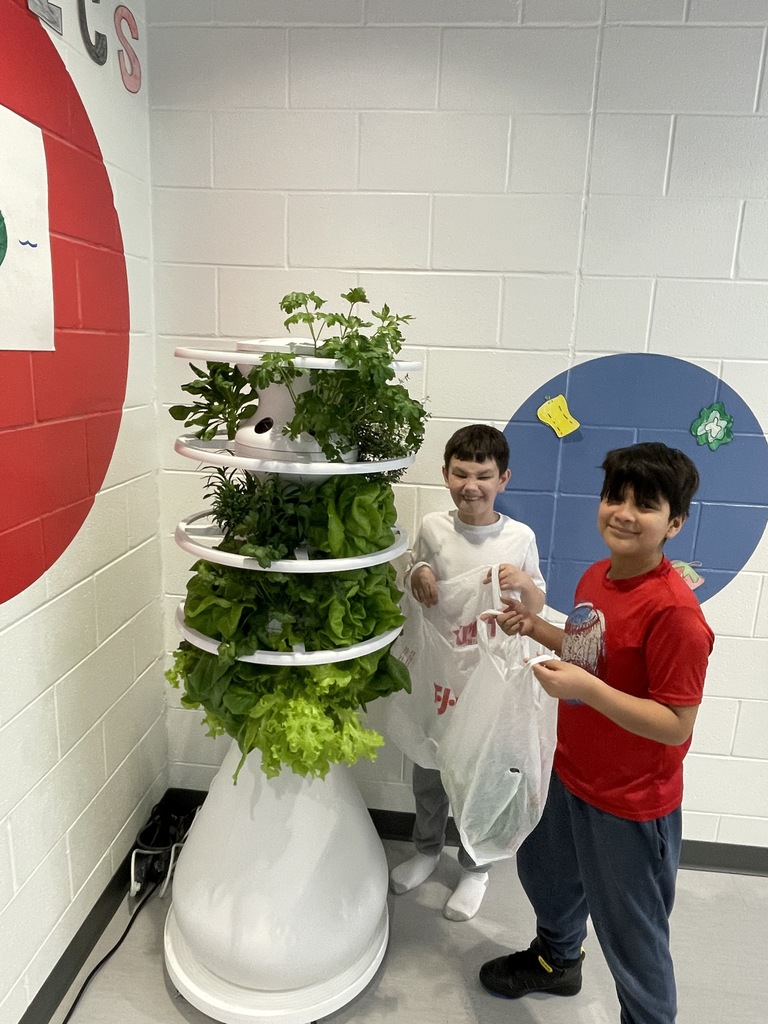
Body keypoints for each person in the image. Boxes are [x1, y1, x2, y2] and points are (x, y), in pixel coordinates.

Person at [478, 441, 714, 1024]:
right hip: (572, 772)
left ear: (675, 523)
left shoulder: (677, 615)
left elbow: (674, 723)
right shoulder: (596, 575)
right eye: (615, 497)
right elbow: (590, 654)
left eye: (646, 505)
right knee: (545, 876)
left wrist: (586, 691)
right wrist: (534, 626)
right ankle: (558, 963)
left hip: (631, 803)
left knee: (633, 940)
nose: (624, 514)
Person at [389, 423, 546, 921]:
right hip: (441, 678)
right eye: (460, 474)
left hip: (491, 682)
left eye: (484, 475)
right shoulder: (435, 526)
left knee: (483, 776)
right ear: (445, 474)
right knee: (430, 770)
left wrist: (525, 584)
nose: (470, 486)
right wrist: (421, 575)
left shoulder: (520, 537)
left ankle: (475, 866)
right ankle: (426, 849)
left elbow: (538, 604)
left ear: (504, 479)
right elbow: (416, 567)